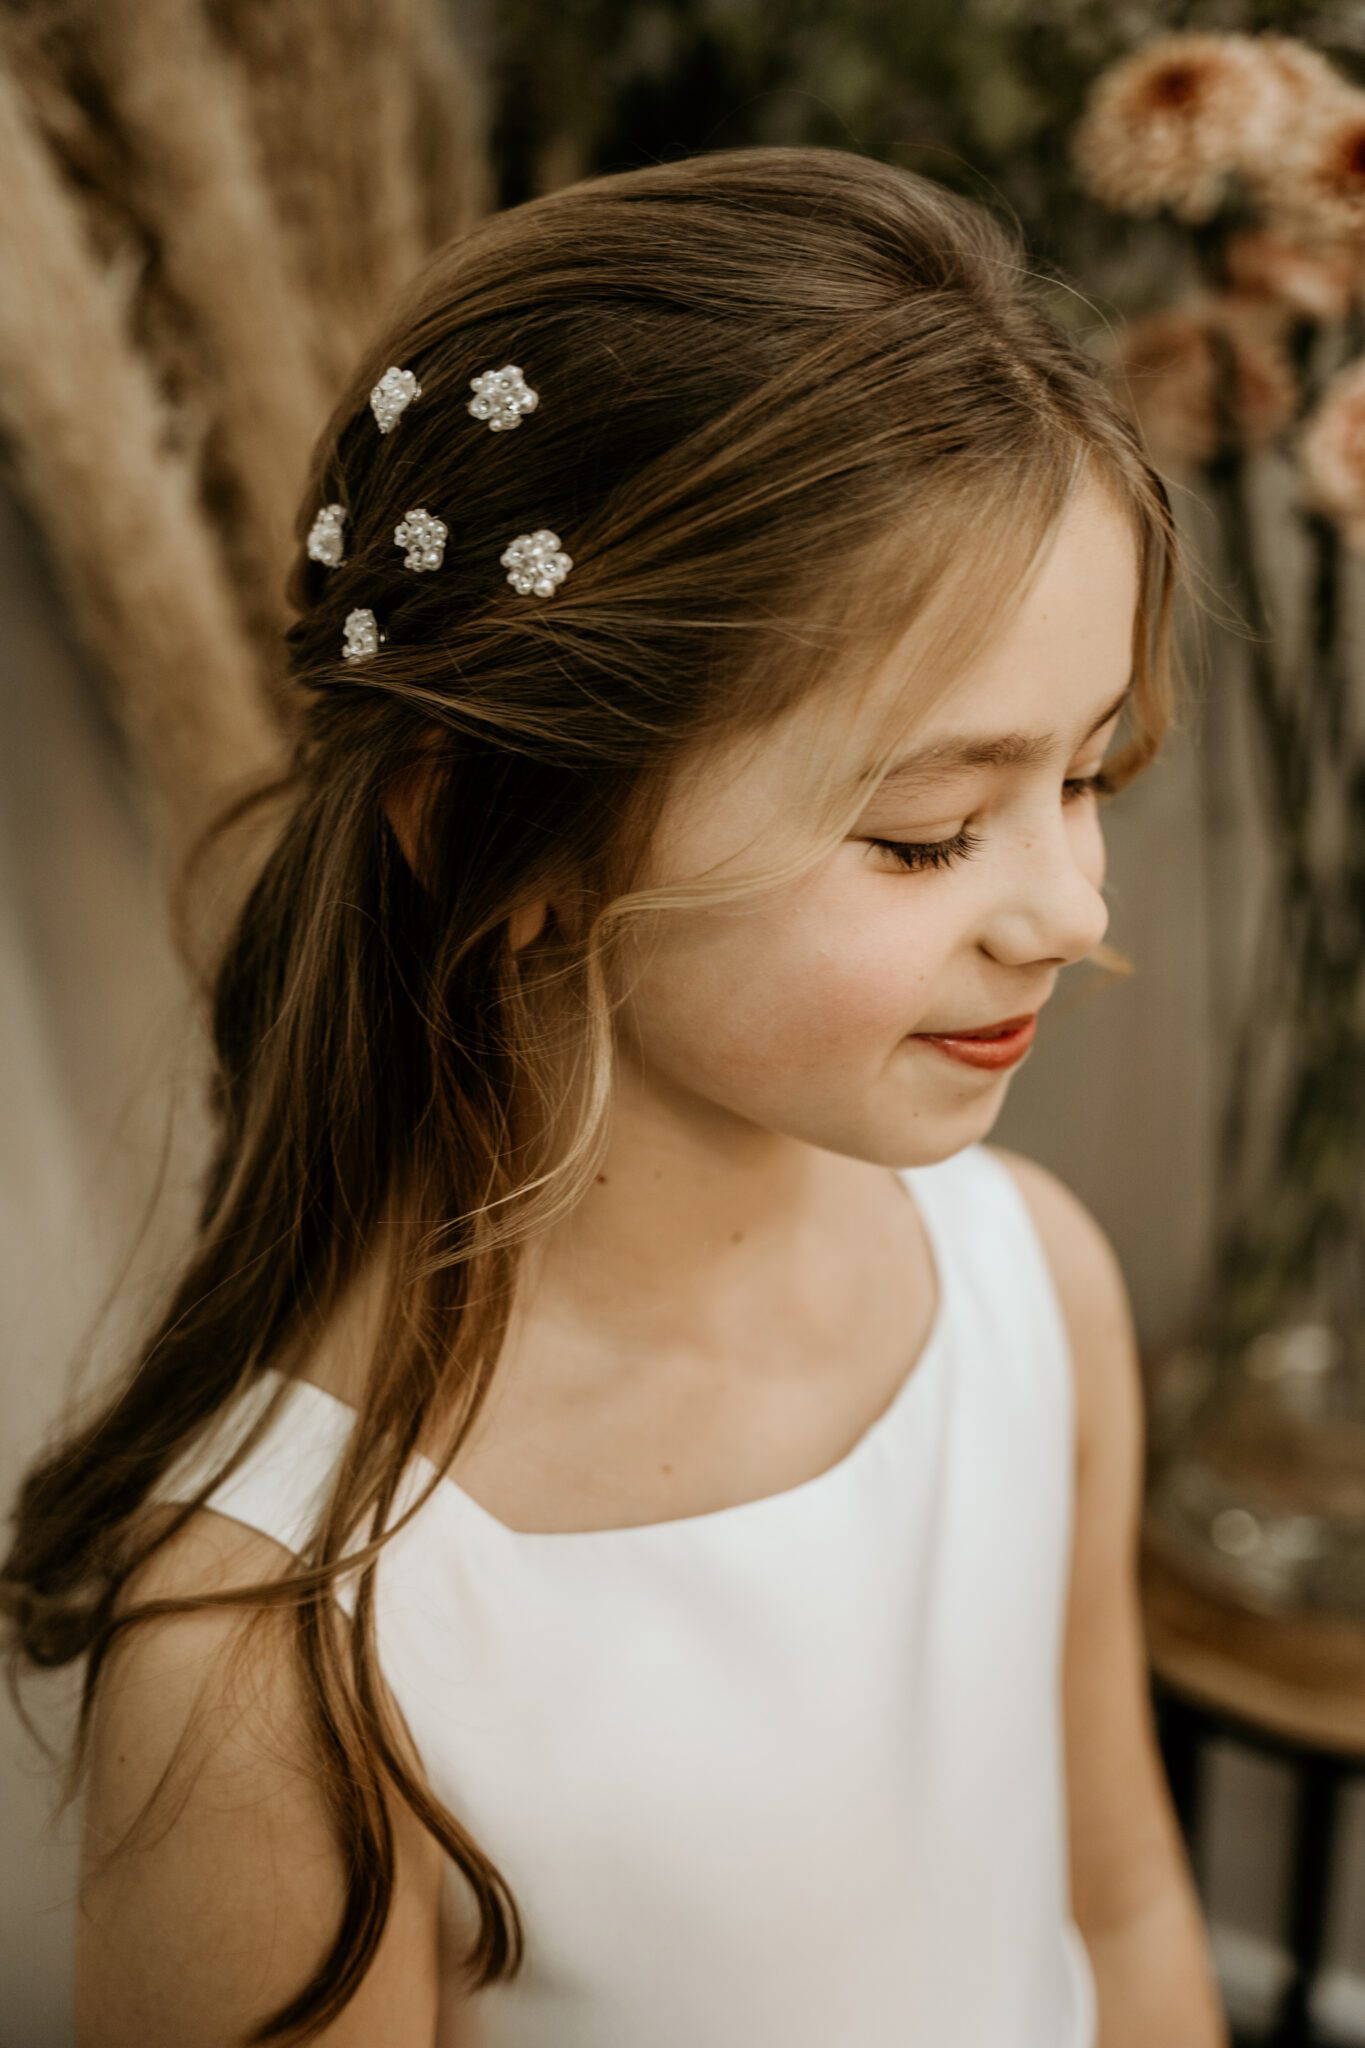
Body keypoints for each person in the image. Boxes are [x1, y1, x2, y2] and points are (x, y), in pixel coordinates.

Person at [1, 144, 1228, 2048]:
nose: (1068, 912)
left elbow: (1125, 1909)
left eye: (1082, 779)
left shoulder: (1030, 1290)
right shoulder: (281, 1655)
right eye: (923, 837)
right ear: (499, 824)